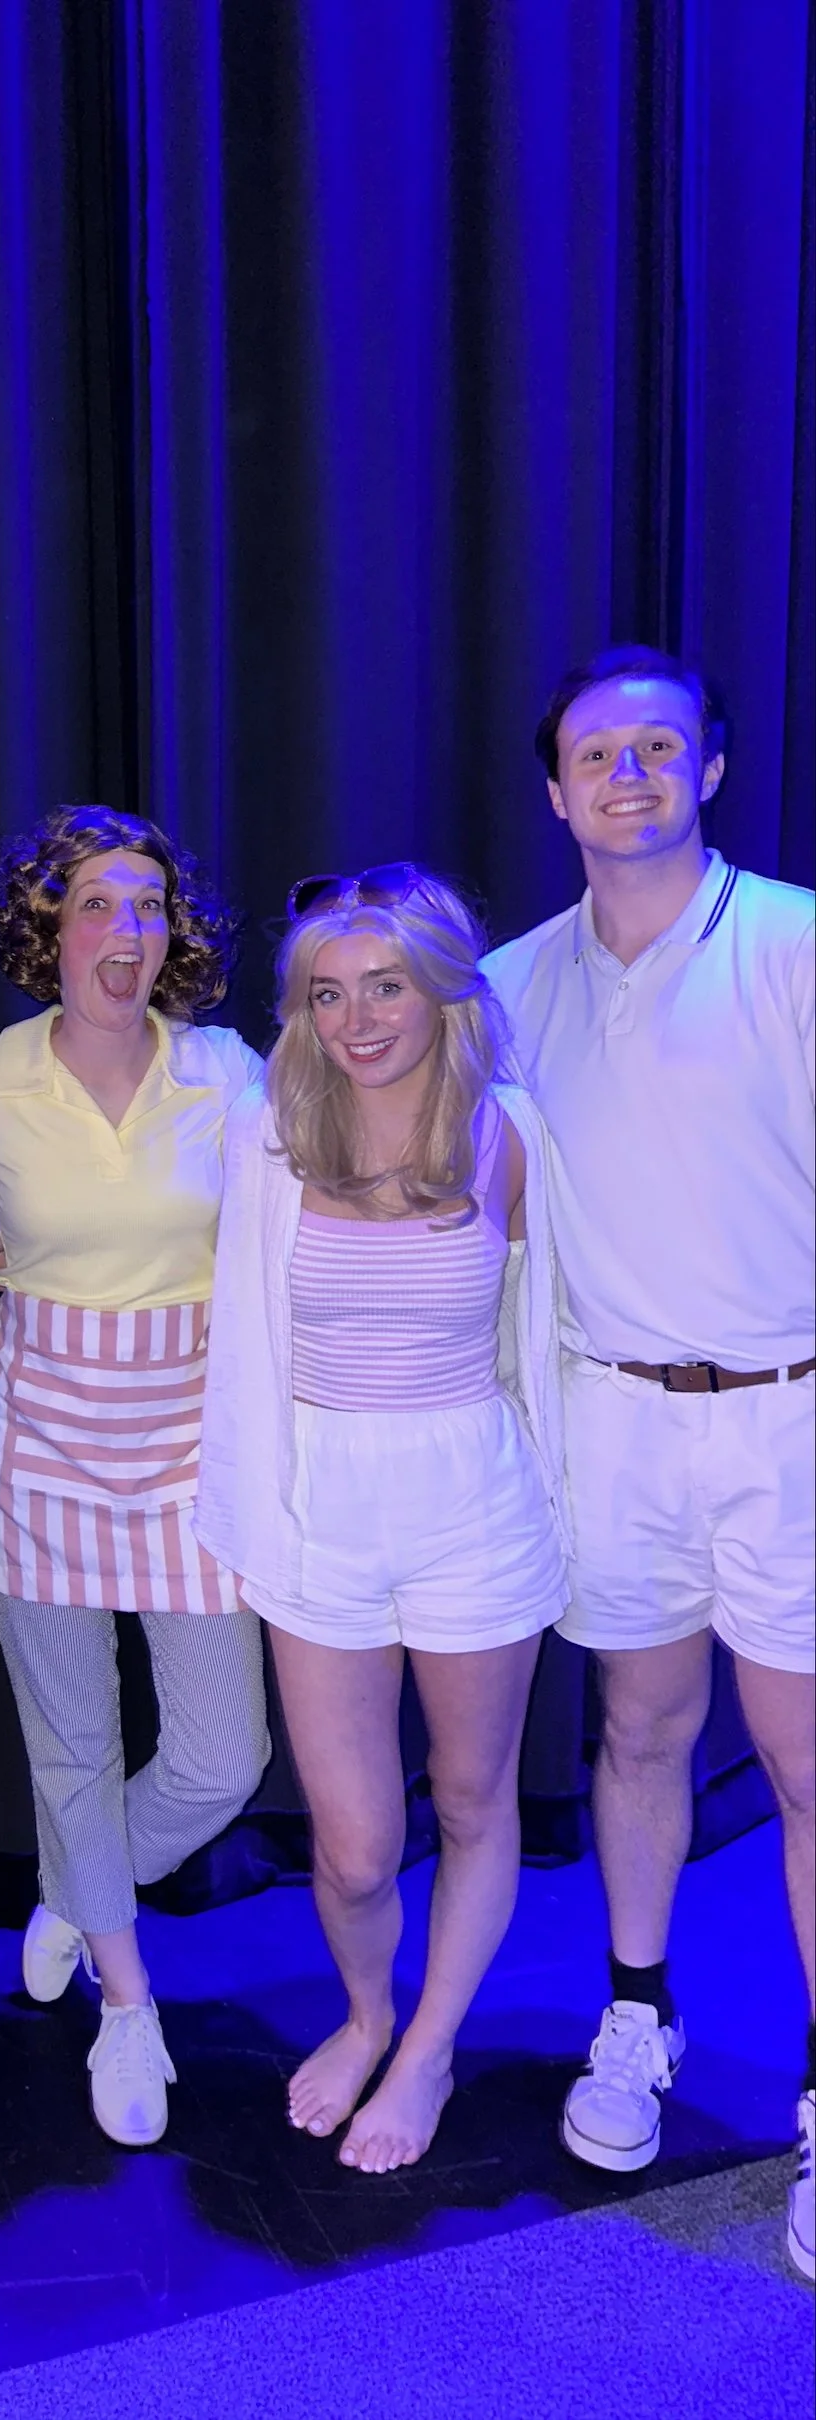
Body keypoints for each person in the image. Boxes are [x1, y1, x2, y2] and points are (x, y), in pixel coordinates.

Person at [483, 646, 814, 2276]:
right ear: (555, 792)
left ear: (712, 766)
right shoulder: (506, 984)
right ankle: (636, 2014)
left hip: (793, 1412)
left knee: (813, 1769)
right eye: (595, 754)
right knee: (638, 1732)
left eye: (658, 745)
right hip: (612, 1416)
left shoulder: (800, 948)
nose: (627, 773)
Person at [196, 866, 567, 2172]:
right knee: (354, 1848)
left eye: (386, 985)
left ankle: (429, 2047)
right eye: (326, 993)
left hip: (473, 1499)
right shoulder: (266, 1129)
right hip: (318, 1508)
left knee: (472, 1800)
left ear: (442, 985)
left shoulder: (507, 1130)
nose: (357, 1019)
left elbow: (552, 1334)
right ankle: (366, 2015)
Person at [0, 808, 269, 2150]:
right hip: (40, 1441)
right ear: (45, 929)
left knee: (223, 1757)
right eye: (98, 906)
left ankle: (82, 1882)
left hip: (188, 1434)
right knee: (74, 1752)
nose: (127, 932)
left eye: (150, 907)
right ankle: (129, 2007)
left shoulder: (232, 1073)